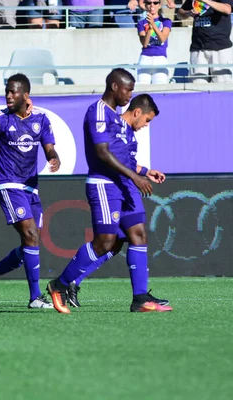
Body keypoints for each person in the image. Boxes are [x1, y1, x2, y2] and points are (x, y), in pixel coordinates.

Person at [46, 69, 173, 314]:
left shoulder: (116, 119)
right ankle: (59, 284)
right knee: (105, 243)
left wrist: (144, 171)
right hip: (105, 185)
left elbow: (122, 156)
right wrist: (136, 176)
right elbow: (103, 153)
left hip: (122, 186)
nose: (129, 94)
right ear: (115, 86)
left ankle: (140, 298)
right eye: (128, 89)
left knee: (138, 234)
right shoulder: (98, 111)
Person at [0, 73, 60, 309]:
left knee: (30, 243)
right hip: (8, 184)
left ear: (26, 95)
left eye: (14, 91)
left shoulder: (41, 118)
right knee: (31, 235)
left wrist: (54, 157)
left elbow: (49, 147)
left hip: (31, 187)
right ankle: (35, 297)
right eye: (7, 91)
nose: (9, 95)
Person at [178, 0, 233, 83]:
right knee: (196, 86)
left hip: (220, 48)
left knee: (222, 86)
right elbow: (180, 13)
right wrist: (188, 13)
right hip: (198, 47)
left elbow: (227, 9)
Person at [136, 0, 172, 84]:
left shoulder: (166, 21)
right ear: (145, 5)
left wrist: (153, 24)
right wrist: (149, 28)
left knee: (160, 89)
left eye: (155, 2)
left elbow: (162, 38)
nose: (152, 5)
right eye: (149, 3)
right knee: (142, 89)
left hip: (160, 58)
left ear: (159, 5)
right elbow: (144, 44)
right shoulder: (141, 23)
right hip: (145, 58)